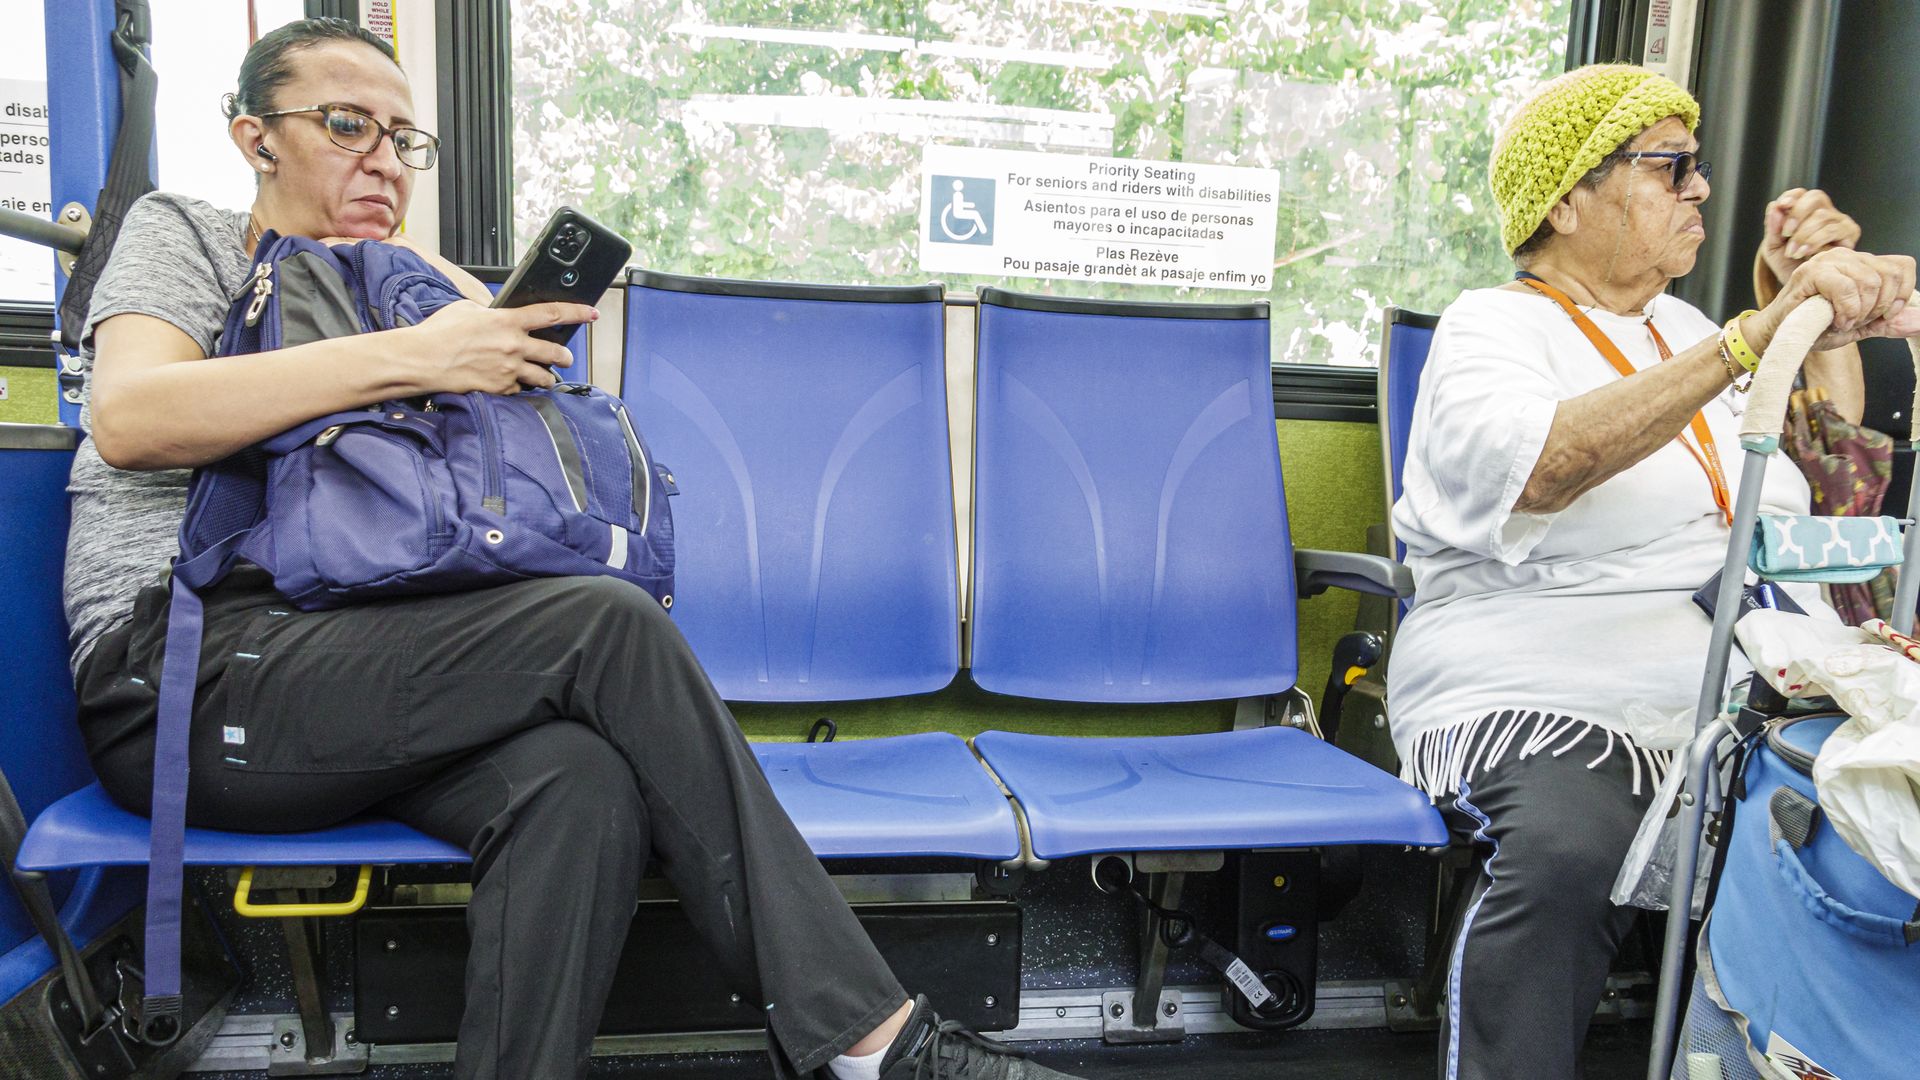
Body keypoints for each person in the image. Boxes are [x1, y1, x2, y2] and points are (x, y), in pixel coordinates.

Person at [65, 19, 1080, 1080]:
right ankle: (877, 1047)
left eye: (405, 141)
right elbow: (130, 417)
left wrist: (452, 315)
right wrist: (416, 351)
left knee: (579, 780)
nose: (382, 159)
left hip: (359, 669)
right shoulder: (189, 231)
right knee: (603, 628)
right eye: (346, 124)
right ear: (256, 138)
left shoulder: (410, 283)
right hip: (186, 676)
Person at [1385, 63, 1917, 1080]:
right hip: (1546, 669)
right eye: (1667, 166)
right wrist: (1751, 338)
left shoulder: (1683, 330)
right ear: (1565, 202)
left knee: (1871, 811)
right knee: (1569, 852)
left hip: (1753, 659)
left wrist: (1820, 323)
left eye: (1699, 167)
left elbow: (1837, 490)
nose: (1700, 189)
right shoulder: (1495, 326)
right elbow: (1540, 467)